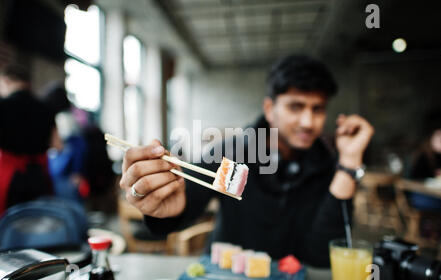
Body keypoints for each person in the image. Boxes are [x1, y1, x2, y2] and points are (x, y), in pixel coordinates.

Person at [119, 55, 375, 267]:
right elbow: (182, 202)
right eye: (295, 107)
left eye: (317, 109)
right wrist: (161, 206)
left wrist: (349, 163)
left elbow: (324, 254)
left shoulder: (325, 165)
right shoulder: (232, 154)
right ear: (269, 110)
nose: (308, 122)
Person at [0, 64, 55, 216]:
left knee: (9, 224)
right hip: (39, 175)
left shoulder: (3, 105)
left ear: (6, 81)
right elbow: (57, 145)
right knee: (38, 221)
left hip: (10, 177)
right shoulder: (46, 108)